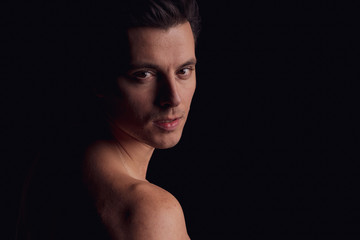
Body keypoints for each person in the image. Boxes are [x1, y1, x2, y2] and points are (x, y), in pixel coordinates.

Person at [16, 0, 201, 239]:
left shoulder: (56, 157)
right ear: (99, 78)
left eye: (183, 71)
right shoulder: (150, 213)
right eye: (144, 75)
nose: (173, 98)